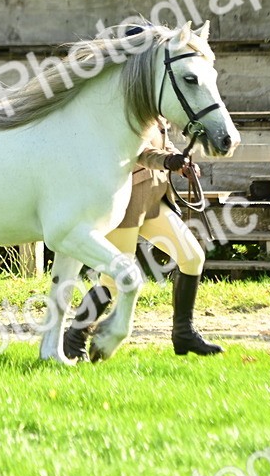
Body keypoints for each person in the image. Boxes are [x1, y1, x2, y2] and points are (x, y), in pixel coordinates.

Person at [62, 115, 222, 360]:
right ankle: (74, 337)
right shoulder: (129, 110)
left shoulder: (155, 109)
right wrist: (169, 160)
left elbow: (161, 143)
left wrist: (181, 162)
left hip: (154, 199)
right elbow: (141, 152)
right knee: (113, 281)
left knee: (192, 258)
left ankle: (183, 333)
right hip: (126, 204)